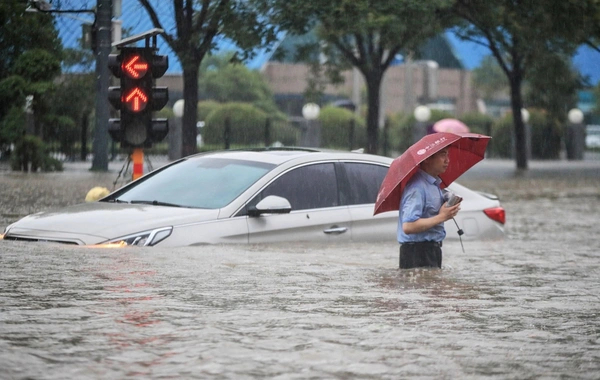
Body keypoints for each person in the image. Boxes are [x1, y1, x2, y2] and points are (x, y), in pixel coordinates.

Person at [397, 147, 461, 269]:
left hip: (431, 250)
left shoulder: (434, 184)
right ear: (427, 159)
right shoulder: (417, 187)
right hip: (416, 252)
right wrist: (442, 217)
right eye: (443, 155)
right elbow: (408, 226)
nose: (447, 160)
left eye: (448, 155)